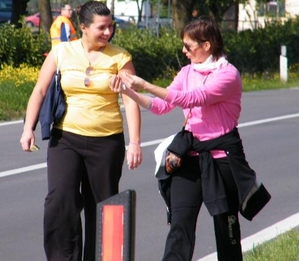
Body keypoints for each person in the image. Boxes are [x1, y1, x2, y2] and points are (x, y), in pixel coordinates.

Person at [110, 17, 271, 261]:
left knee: (225, 225)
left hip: (221, 157)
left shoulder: (227, 75)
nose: (184, 51)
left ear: (206, 45)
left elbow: (192, 99)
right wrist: (128, 91)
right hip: (188, 155)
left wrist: (145, 84)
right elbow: (163, 105)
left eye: (189, 46)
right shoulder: (186, 72)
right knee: (179, 224)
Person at [20, 0, 142, 261]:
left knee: (104, 207)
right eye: (102, 28)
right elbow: (40, 91)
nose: (108, 33)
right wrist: (27, 129)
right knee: (59, 201)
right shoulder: (62, 52)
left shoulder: (120, 57)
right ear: (84, 27)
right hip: (66, 138)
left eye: (111, 27)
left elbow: (131, 101)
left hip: (107, 142)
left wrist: (135, 143)